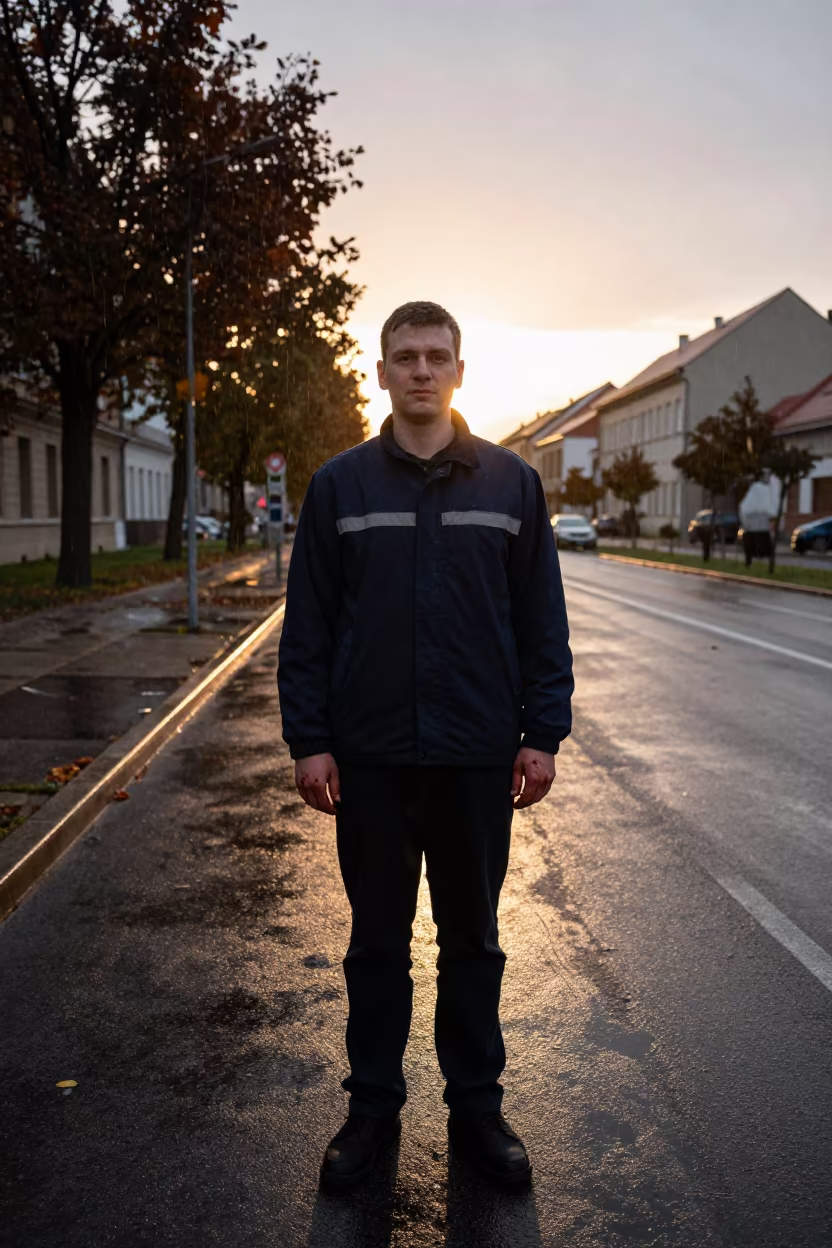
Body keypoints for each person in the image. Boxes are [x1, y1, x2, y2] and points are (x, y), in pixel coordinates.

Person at [277, 301, 573, 1188]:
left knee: (474, 943)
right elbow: (310, 629)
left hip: (477, 758)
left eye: (435, 356)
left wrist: (542, 733)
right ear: (380, 372)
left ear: (458, 371)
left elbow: (541, 621)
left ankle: (478, 1113)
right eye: (403, 356)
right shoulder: (340, 487)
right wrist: (311, 741)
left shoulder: (511, 485)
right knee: (375, 946)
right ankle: (371, 1114)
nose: (420, 370)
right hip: (368, 760)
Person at [739, 473, 777, 567]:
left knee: (756, 547)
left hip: (756, 529)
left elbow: (745, 509)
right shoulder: (756, 493)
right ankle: (752, 562)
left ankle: (752, 562)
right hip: (757, 529)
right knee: (756, 547)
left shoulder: (757, 491)